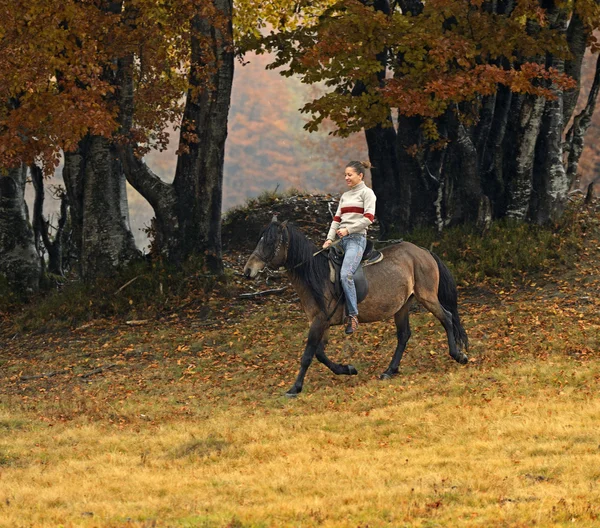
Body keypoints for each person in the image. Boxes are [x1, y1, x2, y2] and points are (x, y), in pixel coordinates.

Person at [323, 160, 377, 334]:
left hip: (356, 239)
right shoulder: (345, 196)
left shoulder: (368, 194)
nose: (346, 177)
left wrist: (348, 230)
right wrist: (329, 239)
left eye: (349, 174)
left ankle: (353, 315)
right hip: (340, 241)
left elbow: (368, 218)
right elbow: (336, 220)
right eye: (345, 175)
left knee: (346, 274)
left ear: (360, 175)